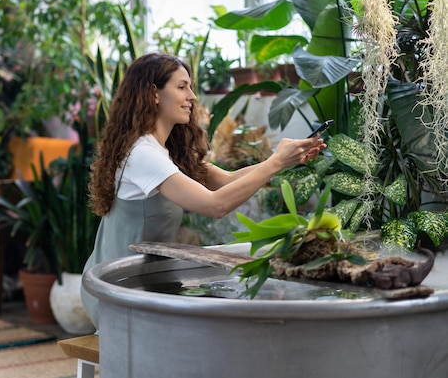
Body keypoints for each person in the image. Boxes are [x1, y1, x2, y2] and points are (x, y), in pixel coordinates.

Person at [81, 52, 325, 330]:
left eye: (191, 88)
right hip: (115, 292)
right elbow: (215, 205)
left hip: (144, 282)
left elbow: (227, 180)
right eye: (182, 87)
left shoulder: (166, 151)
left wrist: (283, 161)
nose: (192, 96)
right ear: (154, 94)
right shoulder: (143, 154)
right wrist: (276, 162)